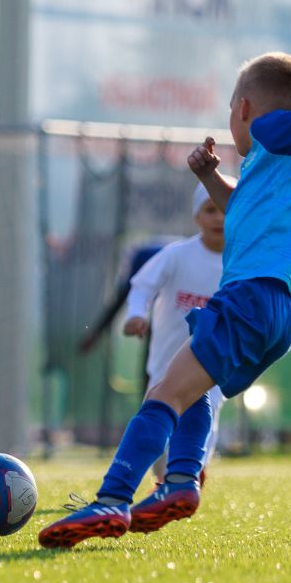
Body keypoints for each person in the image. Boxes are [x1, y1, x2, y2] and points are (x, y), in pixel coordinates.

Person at [39, 51, 291, 548]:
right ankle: (179, 485)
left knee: (162, 393)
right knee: (198, 387)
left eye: (229, 111)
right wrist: (208, 176)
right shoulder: (275, 167)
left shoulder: (269, 131)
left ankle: (113, 498)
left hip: (250, 295)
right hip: (281, 312)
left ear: (243, 108)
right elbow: (240, 206)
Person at [122, 184, 225, 484]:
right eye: (210, 210)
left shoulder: (240, 261)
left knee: (208, 416)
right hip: (165, 366)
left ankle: (189, 477)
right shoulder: (177, 255)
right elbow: (142, 285)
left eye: (225, 210)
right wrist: (136, 314)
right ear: (196, 216)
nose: (219, 218)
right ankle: (165, 479)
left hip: (213, 363)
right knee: (158, 423)